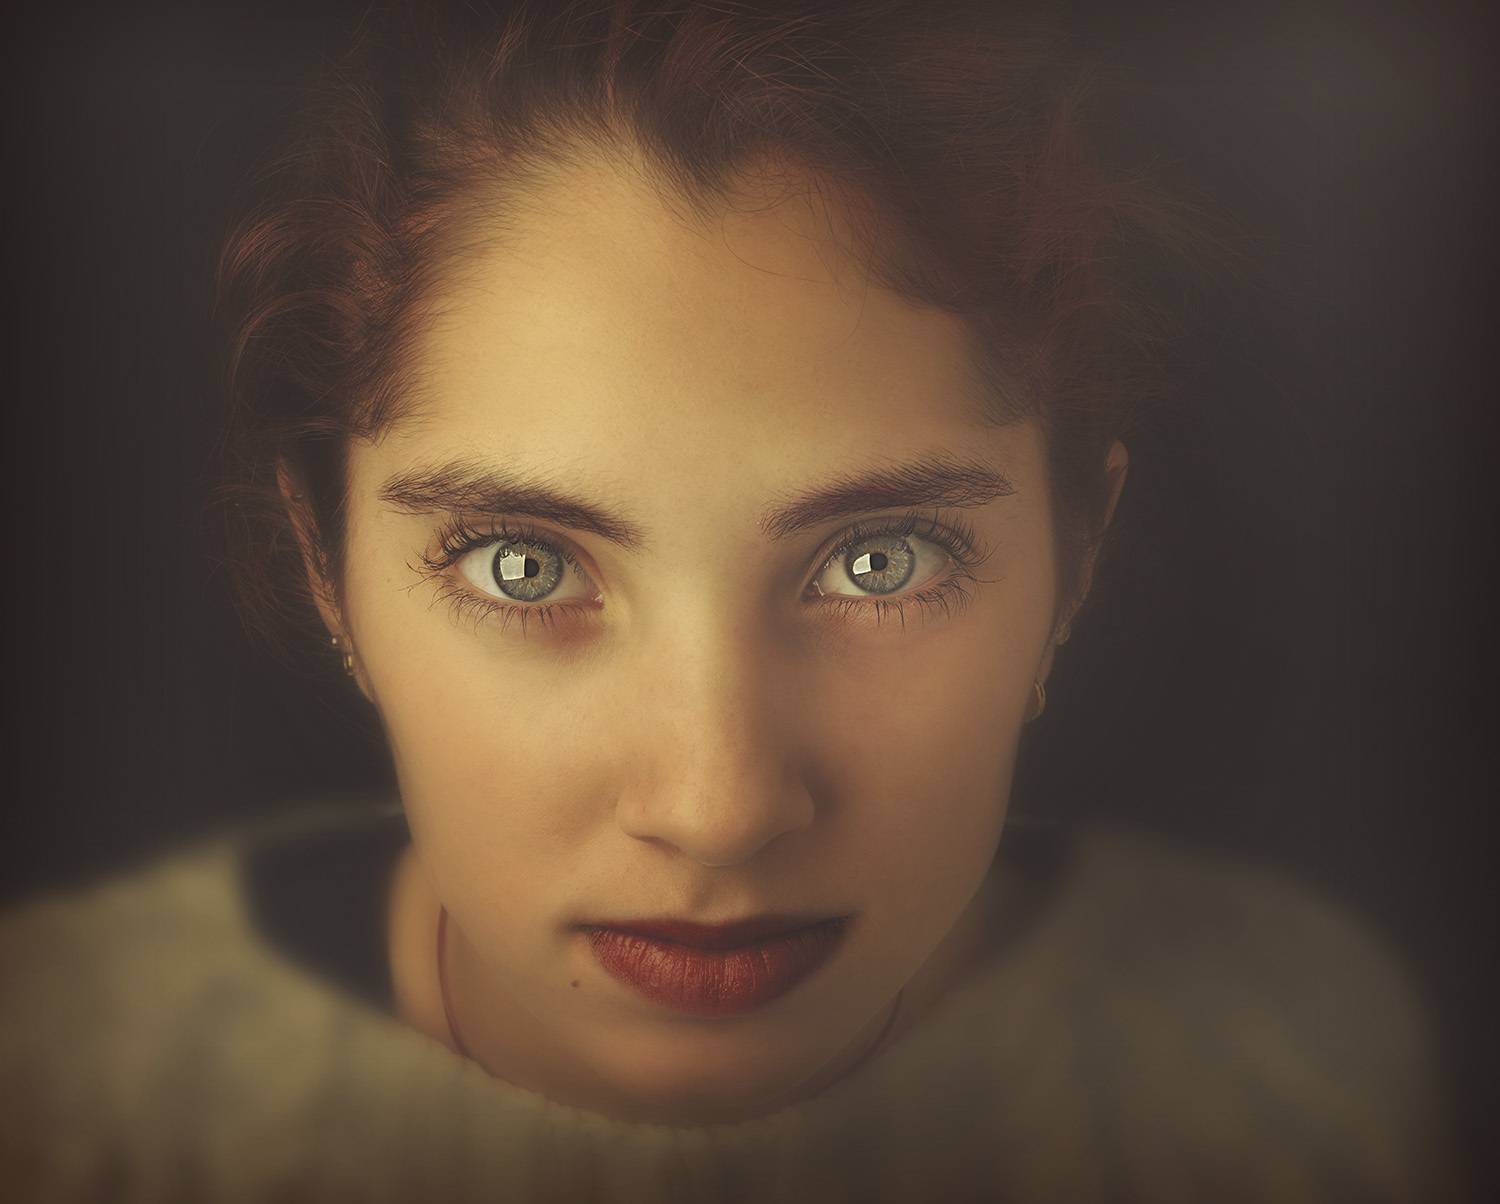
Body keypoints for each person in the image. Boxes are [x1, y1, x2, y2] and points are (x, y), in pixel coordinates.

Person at [0, 1, 1469, 1200]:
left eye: (881, 560)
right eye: (524, 564)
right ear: (326, 567)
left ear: (1074, 560)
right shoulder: (74, 1091)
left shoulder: (1286, 1072)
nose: (718, 808)